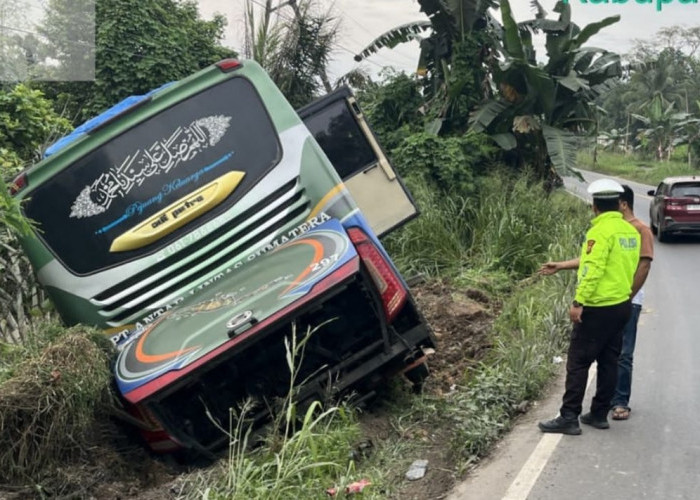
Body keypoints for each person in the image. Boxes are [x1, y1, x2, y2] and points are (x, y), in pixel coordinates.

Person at [539, 184, 653, 421]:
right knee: (609, 361)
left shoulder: (600, 232)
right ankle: (600, 414)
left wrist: (579, 301)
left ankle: (569, 416)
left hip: (599, 305)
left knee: (578, 361)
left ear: (595, 207)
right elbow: (621, 264)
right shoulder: (630, 232)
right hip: (622, 305)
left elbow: (593, 268)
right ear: (618, 204)